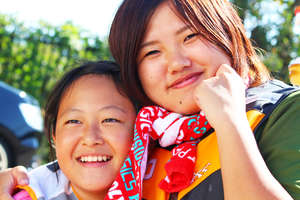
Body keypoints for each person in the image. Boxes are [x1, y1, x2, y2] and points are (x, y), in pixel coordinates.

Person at [108, 0, 300, 199]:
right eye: (152, 52)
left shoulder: (282, 110)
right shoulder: (139, 149)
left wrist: (229, 121)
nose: (177, 64)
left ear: (227, 32)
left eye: (190, 37)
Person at [4, 61, 137, 200]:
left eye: (110, 120)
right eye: (74, 121)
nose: (91, 139)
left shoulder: (159, 186)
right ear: (54, 135)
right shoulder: (27, 195)